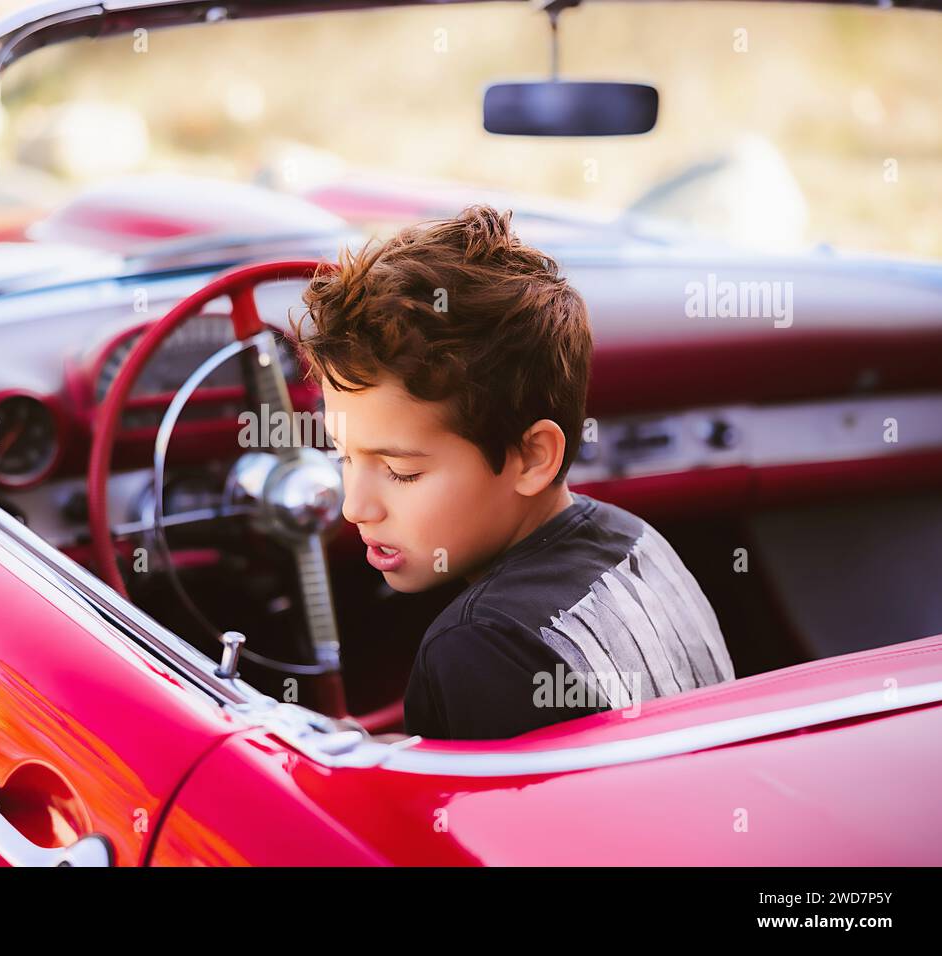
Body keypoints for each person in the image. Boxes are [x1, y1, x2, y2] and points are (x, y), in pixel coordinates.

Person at [291, 204, 736, 740]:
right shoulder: (634, 538)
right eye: (343, 456)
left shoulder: (478, 646)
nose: (354, 507)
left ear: (532, 457)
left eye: (401, 471)